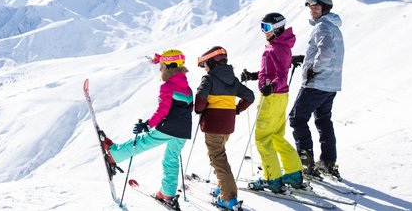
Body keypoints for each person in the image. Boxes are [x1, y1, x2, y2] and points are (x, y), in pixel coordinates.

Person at [101, 49, 194, 209]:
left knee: (144, 142)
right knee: (171, 160)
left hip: (169, 128)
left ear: (171, 67)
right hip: (183, 131)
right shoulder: (188, 88)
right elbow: (188, 109)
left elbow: (163, 110)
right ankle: (167, 195)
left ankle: (113, 156)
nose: (160, 69)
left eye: (162, 65)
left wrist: (147, 125)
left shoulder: (168, 86)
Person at [240, 13, 305, 193]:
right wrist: (254, 76)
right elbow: (274, 71)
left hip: (272, 97)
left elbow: (280, 76)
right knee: (276, 136)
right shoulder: (280, 45)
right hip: (280, 96)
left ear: (277, 28)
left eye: (266, 28)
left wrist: (270, 87)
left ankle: (272, 179)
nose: (264, 32)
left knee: (262, 139)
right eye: (262, 27)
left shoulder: (276, 48)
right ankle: (294, 174)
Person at [289, 0, 345, 180]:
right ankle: (328, 163)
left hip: (317, 83)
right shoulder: (333, 27)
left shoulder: (322, 26)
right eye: (311, 7)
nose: (312, 11)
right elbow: (328, 51)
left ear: (325, 9)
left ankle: (306, 164)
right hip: (331, 84)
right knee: (323, 121)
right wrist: (305, 59)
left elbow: (326, 51)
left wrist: (314, 69)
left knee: (297, 119)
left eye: (316, 8)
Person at [195, 46, 254, 210]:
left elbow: (200, 97)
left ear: (212, 62)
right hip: (227, 126)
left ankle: (228, 198)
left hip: (213, 125)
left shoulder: (209, 79)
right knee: (219, 155)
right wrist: (236, 109)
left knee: (218, 159)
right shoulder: (233, 80)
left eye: (204, 64)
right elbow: (250, 96)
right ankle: (223, 186)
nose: (204, 68)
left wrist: (199, 109)